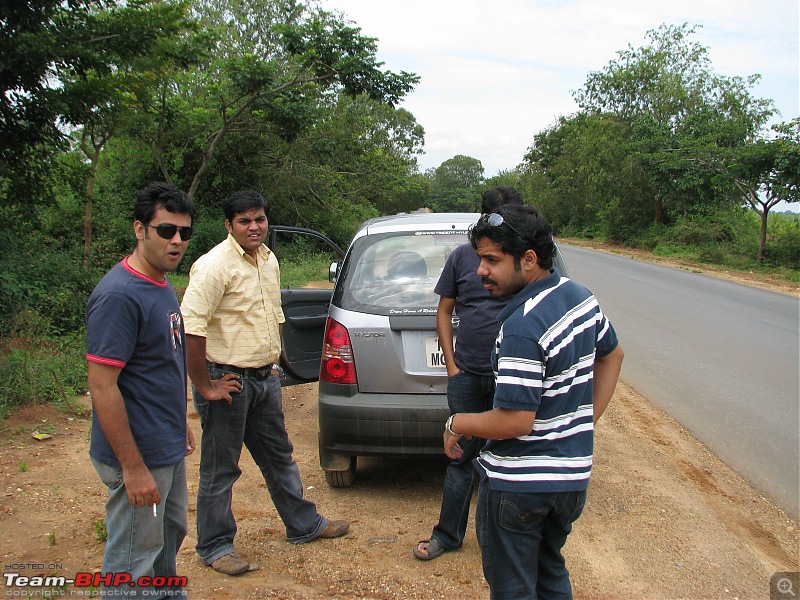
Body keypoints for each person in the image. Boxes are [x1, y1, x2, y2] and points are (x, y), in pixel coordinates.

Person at [443, 205, 624, 599]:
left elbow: (515, 421)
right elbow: (613, 355)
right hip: (571, 481)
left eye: (492, 260)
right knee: (550, 574)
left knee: (513, 589)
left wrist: (457, 424)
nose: (480, 271)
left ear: (529, 259)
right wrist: (584, 422)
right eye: (479, 259)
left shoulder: (522, 327)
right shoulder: (579, 297)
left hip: (520, 487)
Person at [181, 190, 350, 577]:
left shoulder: (268, 260)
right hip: (227, 382)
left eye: (259, 219)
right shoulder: (212, 267)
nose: (254, 227)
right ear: (229, 225)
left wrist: (275, 366)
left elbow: (273, 315)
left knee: (279, 457)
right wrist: (205, 386)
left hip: (262, 380)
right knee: (221, 470)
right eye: (244, 221)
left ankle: (304, 525)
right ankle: (214, 546)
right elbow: (191, 330)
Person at [86, 182, 197, 597]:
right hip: (139, 454)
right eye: (166, 230)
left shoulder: (160, 283)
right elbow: (102, 387)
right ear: (140, 229)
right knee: (133, 559)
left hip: (164, 442)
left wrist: (180, 420)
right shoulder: (119, 296)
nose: (177, 241)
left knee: (170, 534)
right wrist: (132, 468)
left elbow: (163, 362)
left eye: (184, 233)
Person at [414, 186, 523, 561]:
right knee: (460, 458)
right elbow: (444, 311)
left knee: (509, 461)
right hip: (468, 374)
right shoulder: (463, 257)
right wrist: (452, 364)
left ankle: (504, 543)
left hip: (513, 378)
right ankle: (448, 535)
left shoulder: (527, 263)